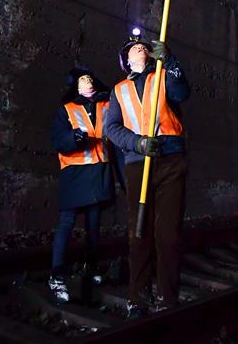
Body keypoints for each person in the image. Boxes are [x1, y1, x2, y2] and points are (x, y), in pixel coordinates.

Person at [105, 33, 190, 318]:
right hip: (138, 162)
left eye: (143, 47)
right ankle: (138, 298)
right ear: (126, 61)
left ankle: (168, 297)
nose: (139, 49)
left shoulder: (164, 75)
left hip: (170, 160)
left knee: (168, 232)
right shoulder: (118, 91)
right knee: (138, 232)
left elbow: (182, 94)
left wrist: (171, 60)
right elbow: (112, 129)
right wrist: (137, 143)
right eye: (133, 49)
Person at [49, 65, 117, 303]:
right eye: (82, 80)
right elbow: (58, 139)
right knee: (66, 223)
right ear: (75, 86)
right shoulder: (66, 110)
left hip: (98, 171)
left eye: (89, 78)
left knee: (94, 225)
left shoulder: (107, 105)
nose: (87, 82)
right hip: (75, 173)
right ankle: (57, 273)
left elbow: (116, 132)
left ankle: (91, 267)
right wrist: (72, 138)